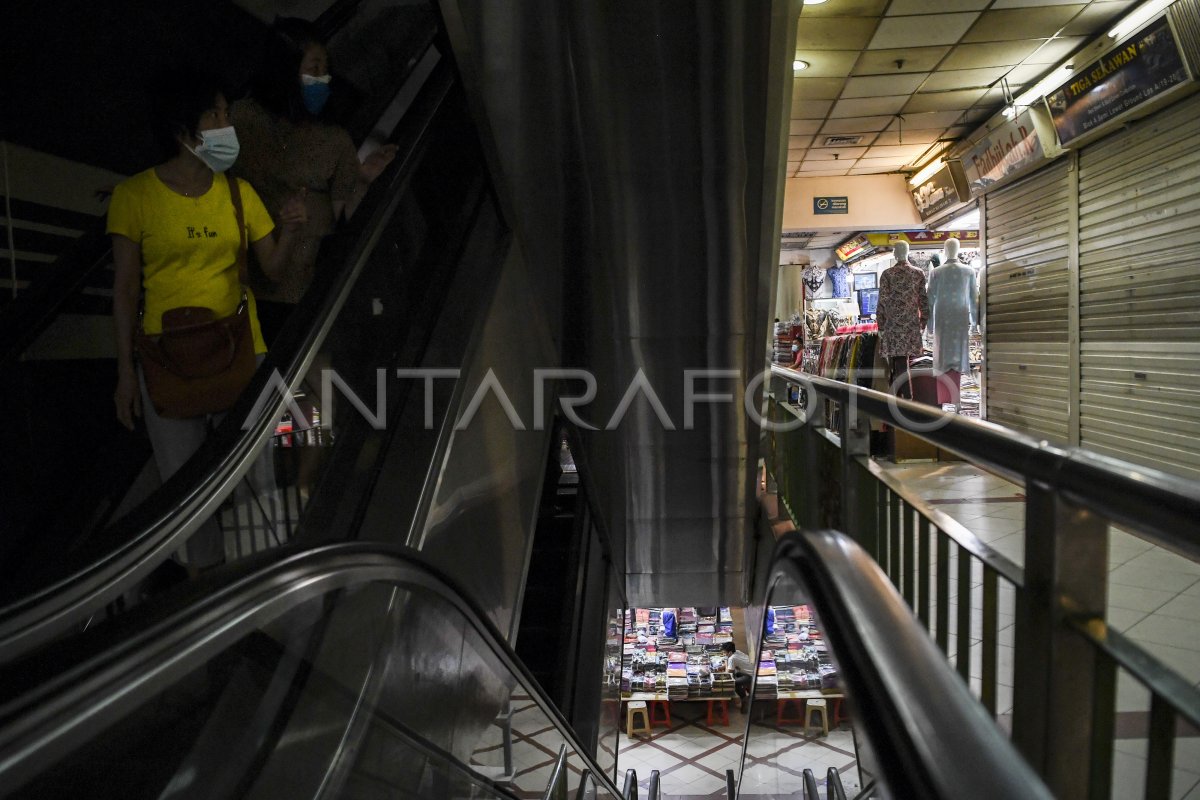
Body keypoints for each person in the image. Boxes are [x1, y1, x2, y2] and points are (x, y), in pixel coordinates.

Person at [109, 68, 307, 571]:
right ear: (184, 132)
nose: (226, 124)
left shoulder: (239, 194)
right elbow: (126, 289)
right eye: (215, 115)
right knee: (185, 491)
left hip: (241, 350)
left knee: (256, 476)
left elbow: (273, 268)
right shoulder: (135, 197)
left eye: (226, 113)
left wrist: (289, 230)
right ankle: (205, 587)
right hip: (165, 358)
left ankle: (260, 579)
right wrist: (124, 373)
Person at [231, 17, 398, 345]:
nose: (323, 78)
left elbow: (343, 215)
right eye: (314, 67)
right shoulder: (241, 119)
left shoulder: (334, 140)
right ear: (285, 68)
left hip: (295, 292)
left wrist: (362, 180)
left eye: (325, 69)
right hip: (236, 285)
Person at [721, 641, 754, 712]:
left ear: (729, 652)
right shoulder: (737, 652)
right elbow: (731, 666)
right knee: (736, 675)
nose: (724, 654)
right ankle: (744, 695)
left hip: (751, 675)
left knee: (732, 683)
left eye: (724, 652)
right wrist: (722, 666)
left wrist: (726, 661)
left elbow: (728, 673)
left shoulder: (732, 658)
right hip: (751, 671)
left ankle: (743, 698)